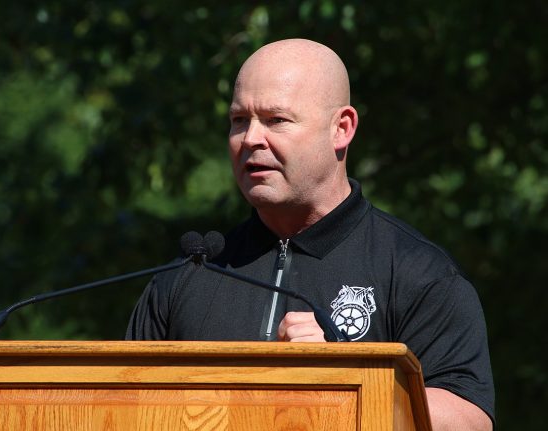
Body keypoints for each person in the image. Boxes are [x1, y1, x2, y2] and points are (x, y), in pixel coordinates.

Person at [127, 39, 494, 430]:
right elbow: (118, 404)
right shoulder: (190, 275)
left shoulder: (418, 273)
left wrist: (343, 378)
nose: (250, 139)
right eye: (239, 120)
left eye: (276, 120)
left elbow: (470, 420)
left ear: (342, 129)